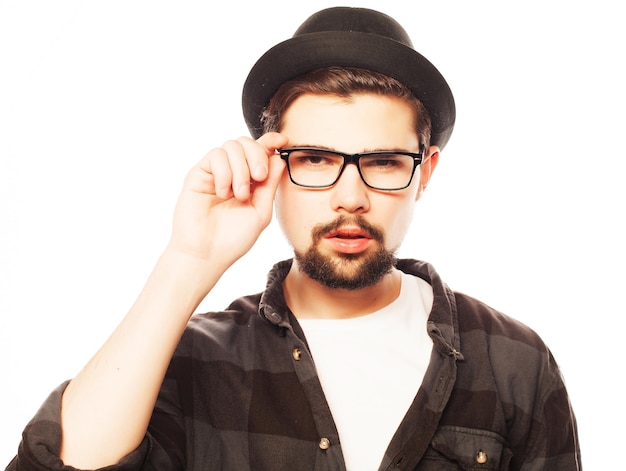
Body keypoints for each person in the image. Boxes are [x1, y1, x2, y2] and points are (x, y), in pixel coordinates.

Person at [6, 7, 581, 471]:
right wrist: (189, 259)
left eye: (381, 162)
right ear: (272, 168)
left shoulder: (514, 363)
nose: (349, 197)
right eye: (314, 159)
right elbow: (55, 465)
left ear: (424, 172)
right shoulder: (189, 360)